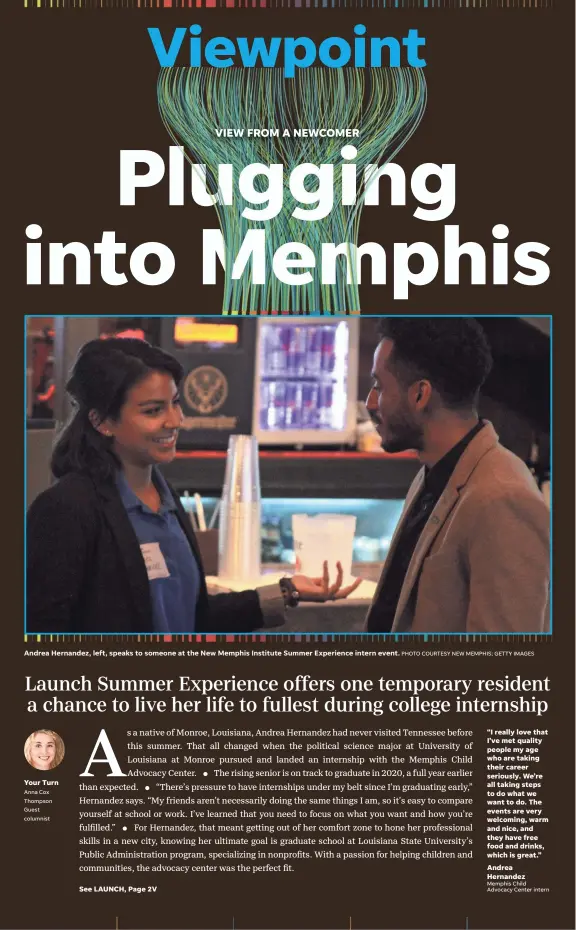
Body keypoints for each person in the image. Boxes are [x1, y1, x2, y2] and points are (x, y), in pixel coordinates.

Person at [27, 338, 360, 634]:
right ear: (101, 421)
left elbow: (194, 616)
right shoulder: (66, 509)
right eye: (153, 410)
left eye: (175, 402)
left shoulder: (166, 499)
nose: (174, 421)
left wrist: (287, 591)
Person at [365, 318, 549, 634]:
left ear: (420, 395)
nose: (370, 402)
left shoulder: (503, 497)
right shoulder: (434, 472)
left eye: (379, 386)